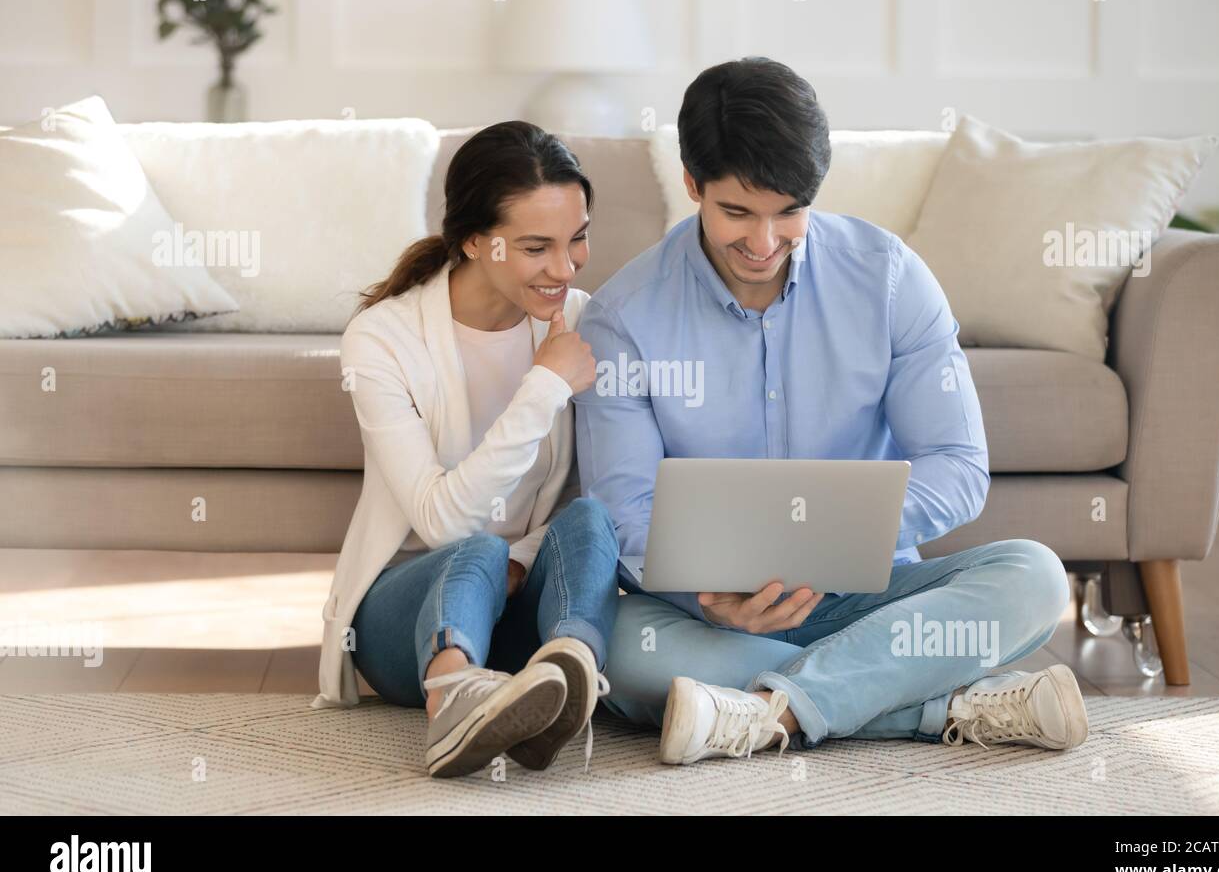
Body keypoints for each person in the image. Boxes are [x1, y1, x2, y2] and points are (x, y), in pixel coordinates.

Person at [575, 58, 1089, 765]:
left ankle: (764, 710)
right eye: (736, 213)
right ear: (692, 185)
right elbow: (621, 508)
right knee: (624, 652)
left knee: (1034, 576)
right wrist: (707, 595)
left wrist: (823, 544)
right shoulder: (624, 318)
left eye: (788, 212)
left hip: (868, 593)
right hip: (712, 615)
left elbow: (959, 467)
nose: (763, 243)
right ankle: (939, 702)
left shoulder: (888, 278)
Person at [313, 121, 620, 779]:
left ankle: (568, 674)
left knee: (592, 521)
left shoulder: (589, 322)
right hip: (409, 618)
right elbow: (441, 522)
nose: (565, 269)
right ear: (477, 239)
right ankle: (451, 697)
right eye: (537, 247)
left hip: (525, 615)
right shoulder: (382, 339)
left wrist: (523, 560)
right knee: (472, 550)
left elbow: (595, 493)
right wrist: (543, 386)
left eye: (578, 239)